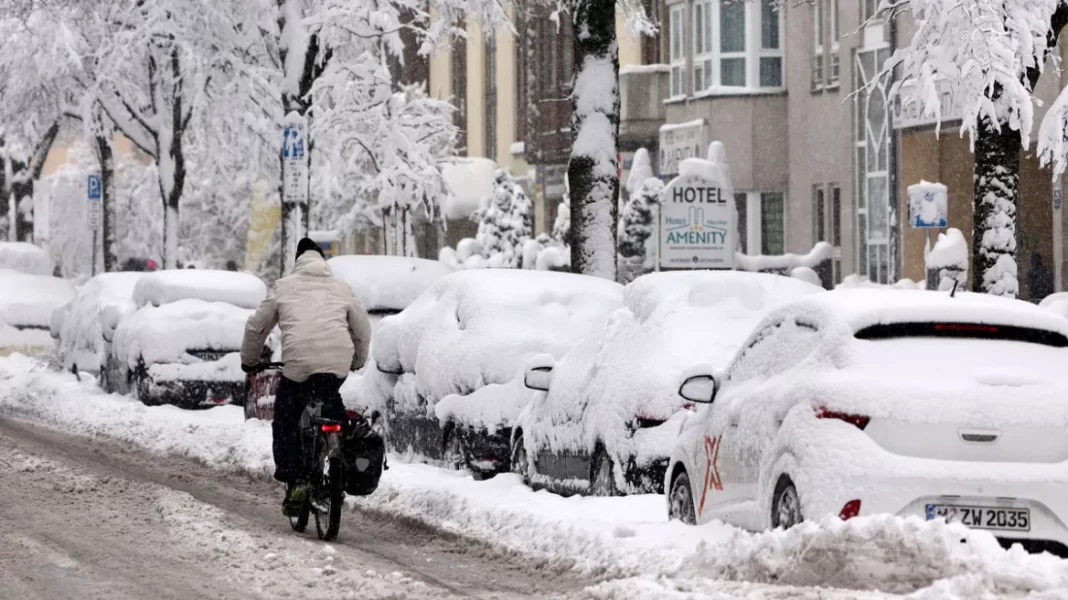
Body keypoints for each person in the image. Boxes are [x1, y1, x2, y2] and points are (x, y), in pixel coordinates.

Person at [241, 237, 372, 516]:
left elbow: (256, 327)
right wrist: (358, 360)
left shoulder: (284, 287)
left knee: (286, 420)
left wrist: (250, 362)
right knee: (330, 405)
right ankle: (340, 456)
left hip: (298, 368)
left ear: (297, 261)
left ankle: (297, 478)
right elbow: (362, 329)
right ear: (322, 260)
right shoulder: (341, 288)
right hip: (336, 366)